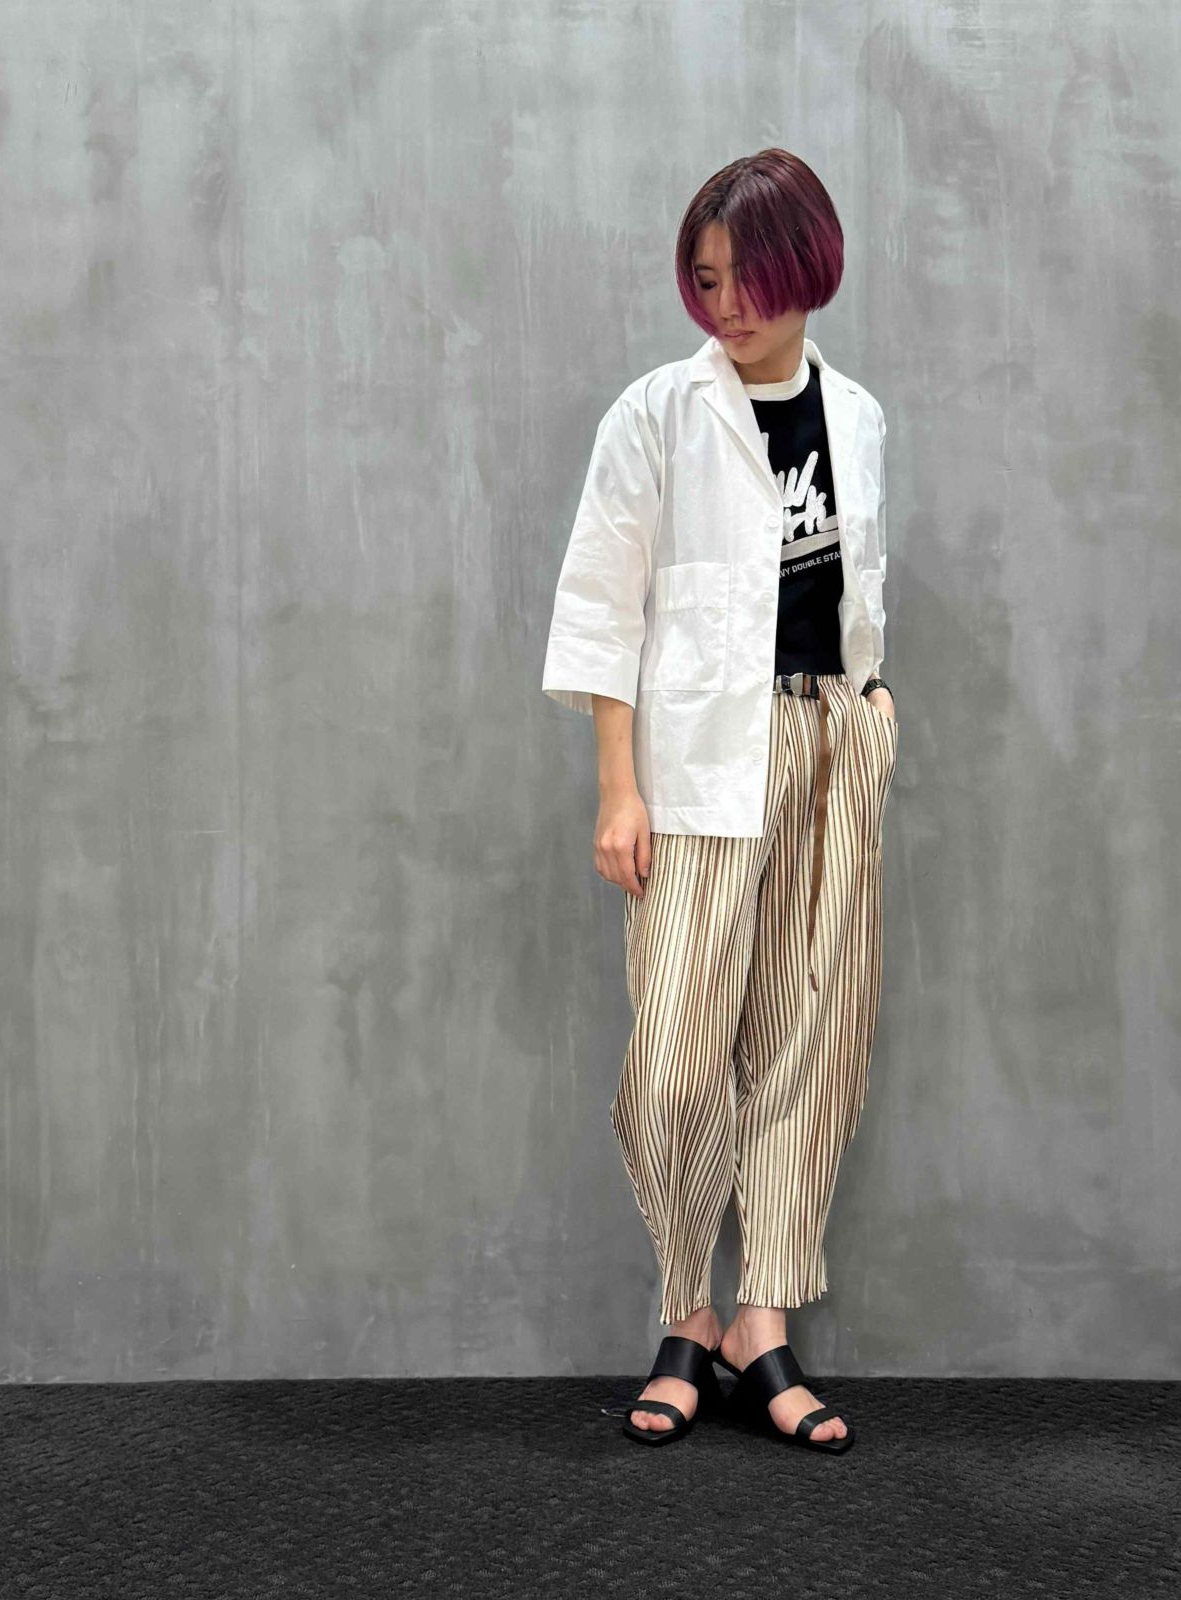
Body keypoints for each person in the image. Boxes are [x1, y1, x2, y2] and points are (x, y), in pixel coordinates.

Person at [542, 149, 897, 1455]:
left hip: (828, 749)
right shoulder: (656, 413)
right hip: (696, 765)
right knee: (678, 1058)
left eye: (751, 276)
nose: (728, 303)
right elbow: (602, 606)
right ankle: (685, 1308)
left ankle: (759, 1321)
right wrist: (617, 788)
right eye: (706, 278)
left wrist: (869, 728)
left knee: (812, 1040)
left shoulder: (856, 416)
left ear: (810, 270)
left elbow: (852, 593)